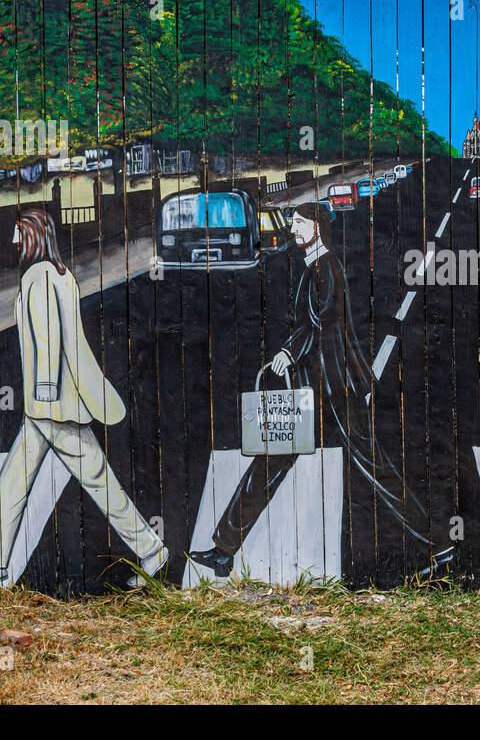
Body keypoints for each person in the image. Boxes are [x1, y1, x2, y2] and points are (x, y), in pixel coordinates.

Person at [189, 202, 450, 583]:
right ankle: (224, 550)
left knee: (375, 468)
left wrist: (288, 351)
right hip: (313, 391)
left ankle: (438, 544)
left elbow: (322, 323)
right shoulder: (315, 269)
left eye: (299, 224)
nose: (293, 230)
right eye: (293, 223)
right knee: (269, 463)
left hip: (336, 389)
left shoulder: (326, 269)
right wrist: (291, 352)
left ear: (318, 227)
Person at [0, 207, 167, 588]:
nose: (13, 241)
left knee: (96, 481)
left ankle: (151, 549)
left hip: (52, 405)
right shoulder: (59, 274)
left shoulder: (38, 278)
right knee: (15, 481)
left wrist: (43, 393)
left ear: (34, 237)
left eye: (19, 234)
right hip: (51, 407)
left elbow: (48, 341)